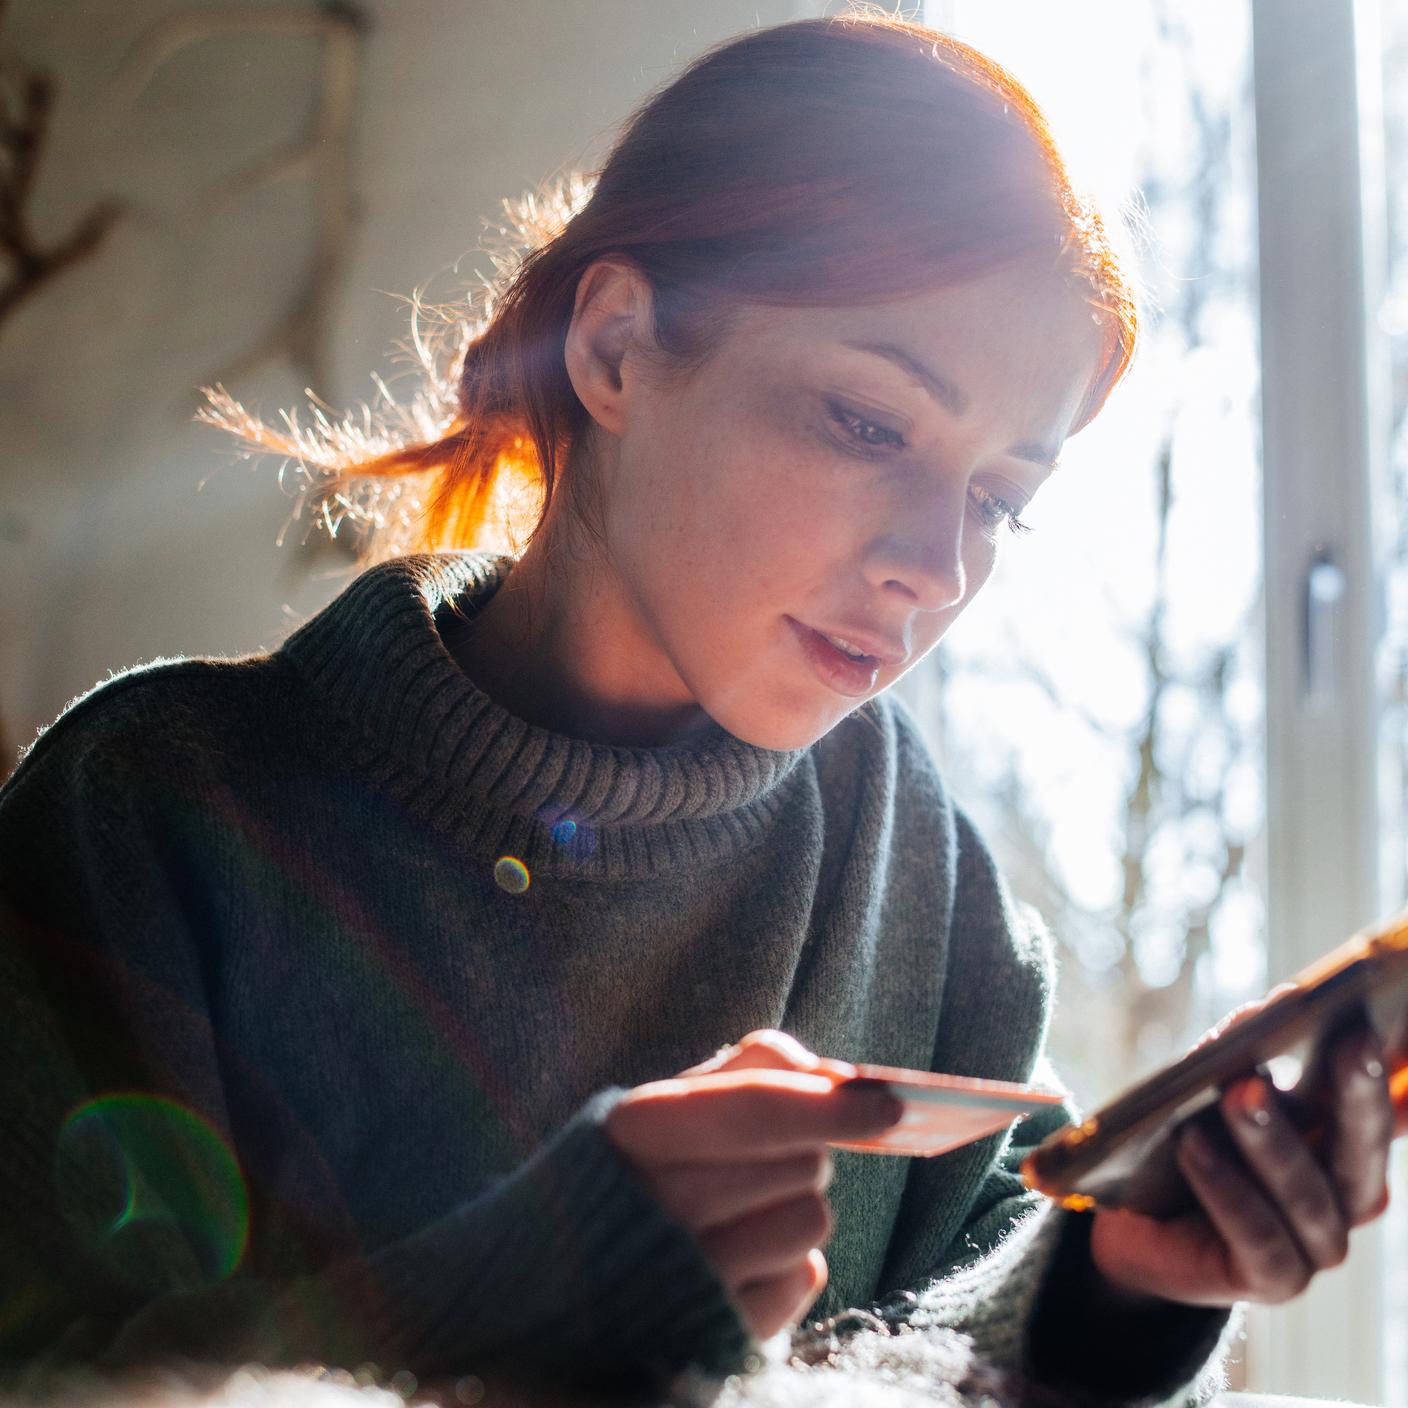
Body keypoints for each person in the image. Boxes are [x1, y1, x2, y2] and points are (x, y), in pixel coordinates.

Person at [0, 8, 1397, 1408]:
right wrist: (540, 1284)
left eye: (1000, 499)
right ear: (614, 349)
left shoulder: (913, 864)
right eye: (869, 423)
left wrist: (1115, 1293)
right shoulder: (151, 808)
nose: (939, 563)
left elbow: (968, 1330)